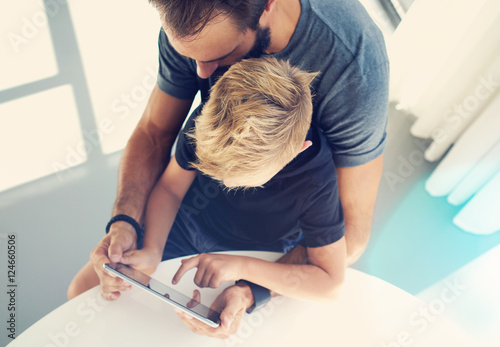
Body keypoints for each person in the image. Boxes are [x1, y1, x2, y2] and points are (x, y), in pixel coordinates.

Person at [68, 0, 389, 338]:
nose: (201, 72)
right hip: (186, 222)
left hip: (263, 249)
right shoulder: (202, 78)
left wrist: (248, 285)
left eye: (217, 56)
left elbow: (340, 257)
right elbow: (162, 161)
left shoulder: (353, 72)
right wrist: (131, 228)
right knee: (81, 292)